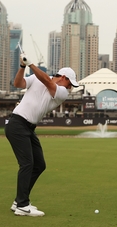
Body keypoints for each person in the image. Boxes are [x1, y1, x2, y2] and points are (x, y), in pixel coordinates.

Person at [6, 53, 79, 217]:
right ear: (64, 78)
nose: (70, 88)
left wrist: (31, 64)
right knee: (27, 164)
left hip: (28, 128)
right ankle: (22, 205)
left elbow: (47, 81)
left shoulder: (61, 92)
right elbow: (18, 83)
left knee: (39, 165)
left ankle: (20, 200)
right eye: (70, 84)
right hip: (17, 124)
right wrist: (22, 66)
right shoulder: (37, 78)